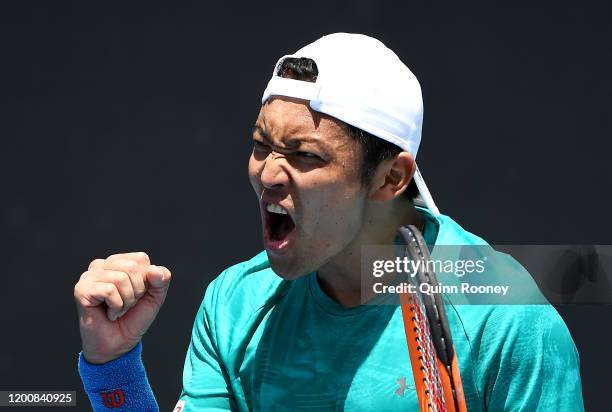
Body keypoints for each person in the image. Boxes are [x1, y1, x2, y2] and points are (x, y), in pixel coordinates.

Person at [74, 33, 584, 411]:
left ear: (390, 177)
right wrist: (112, 367)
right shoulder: (234, 305)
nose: (267, 174)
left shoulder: (508, 325)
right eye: (260, 146)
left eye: (303, 155)